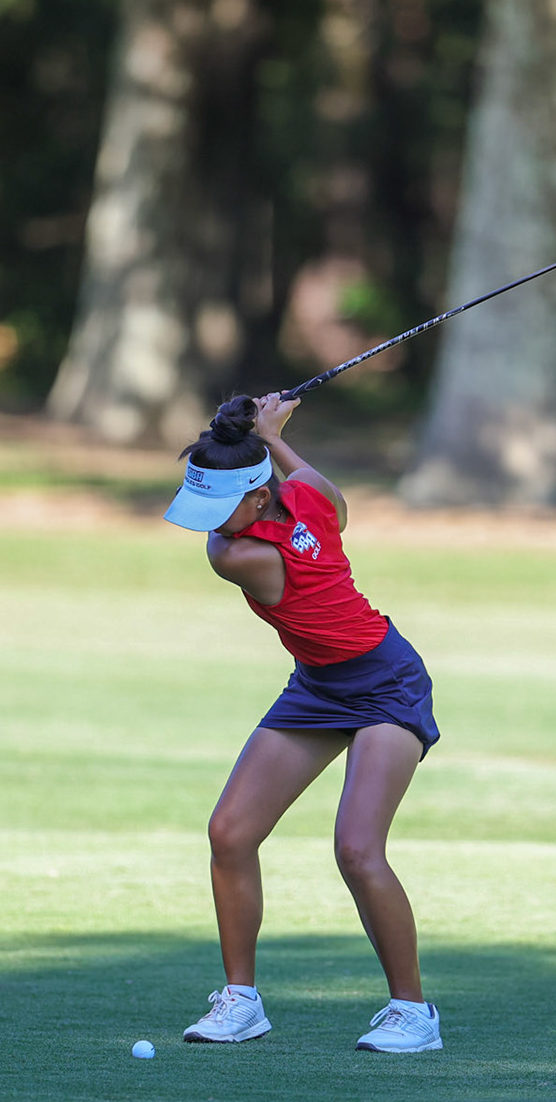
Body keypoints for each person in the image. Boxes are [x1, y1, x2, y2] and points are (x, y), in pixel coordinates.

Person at [162, 392, 441, 1054]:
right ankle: (241, 1001)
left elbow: (236, 531)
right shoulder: (308, 500)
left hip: (386, 684)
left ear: (258, 499)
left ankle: (414, 1013)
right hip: (317, 686)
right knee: (230, 832)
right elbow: (323, 495)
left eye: (219, 508)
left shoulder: (239, 559)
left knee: (356, 848)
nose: (211, 525)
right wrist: (268, 437)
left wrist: (249, 437)